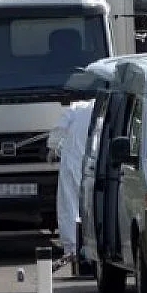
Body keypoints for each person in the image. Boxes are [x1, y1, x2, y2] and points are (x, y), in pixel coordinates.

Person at [46, 99, 94, 262]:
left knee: (69, 205)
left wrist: (52, 147)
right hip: (94, 165)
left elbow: (60, 127)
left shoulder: (77, 108)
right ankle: (91, 247)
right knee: (91, 207)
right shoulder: (111, 108)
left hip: (73, 162)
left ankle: (72, 248)